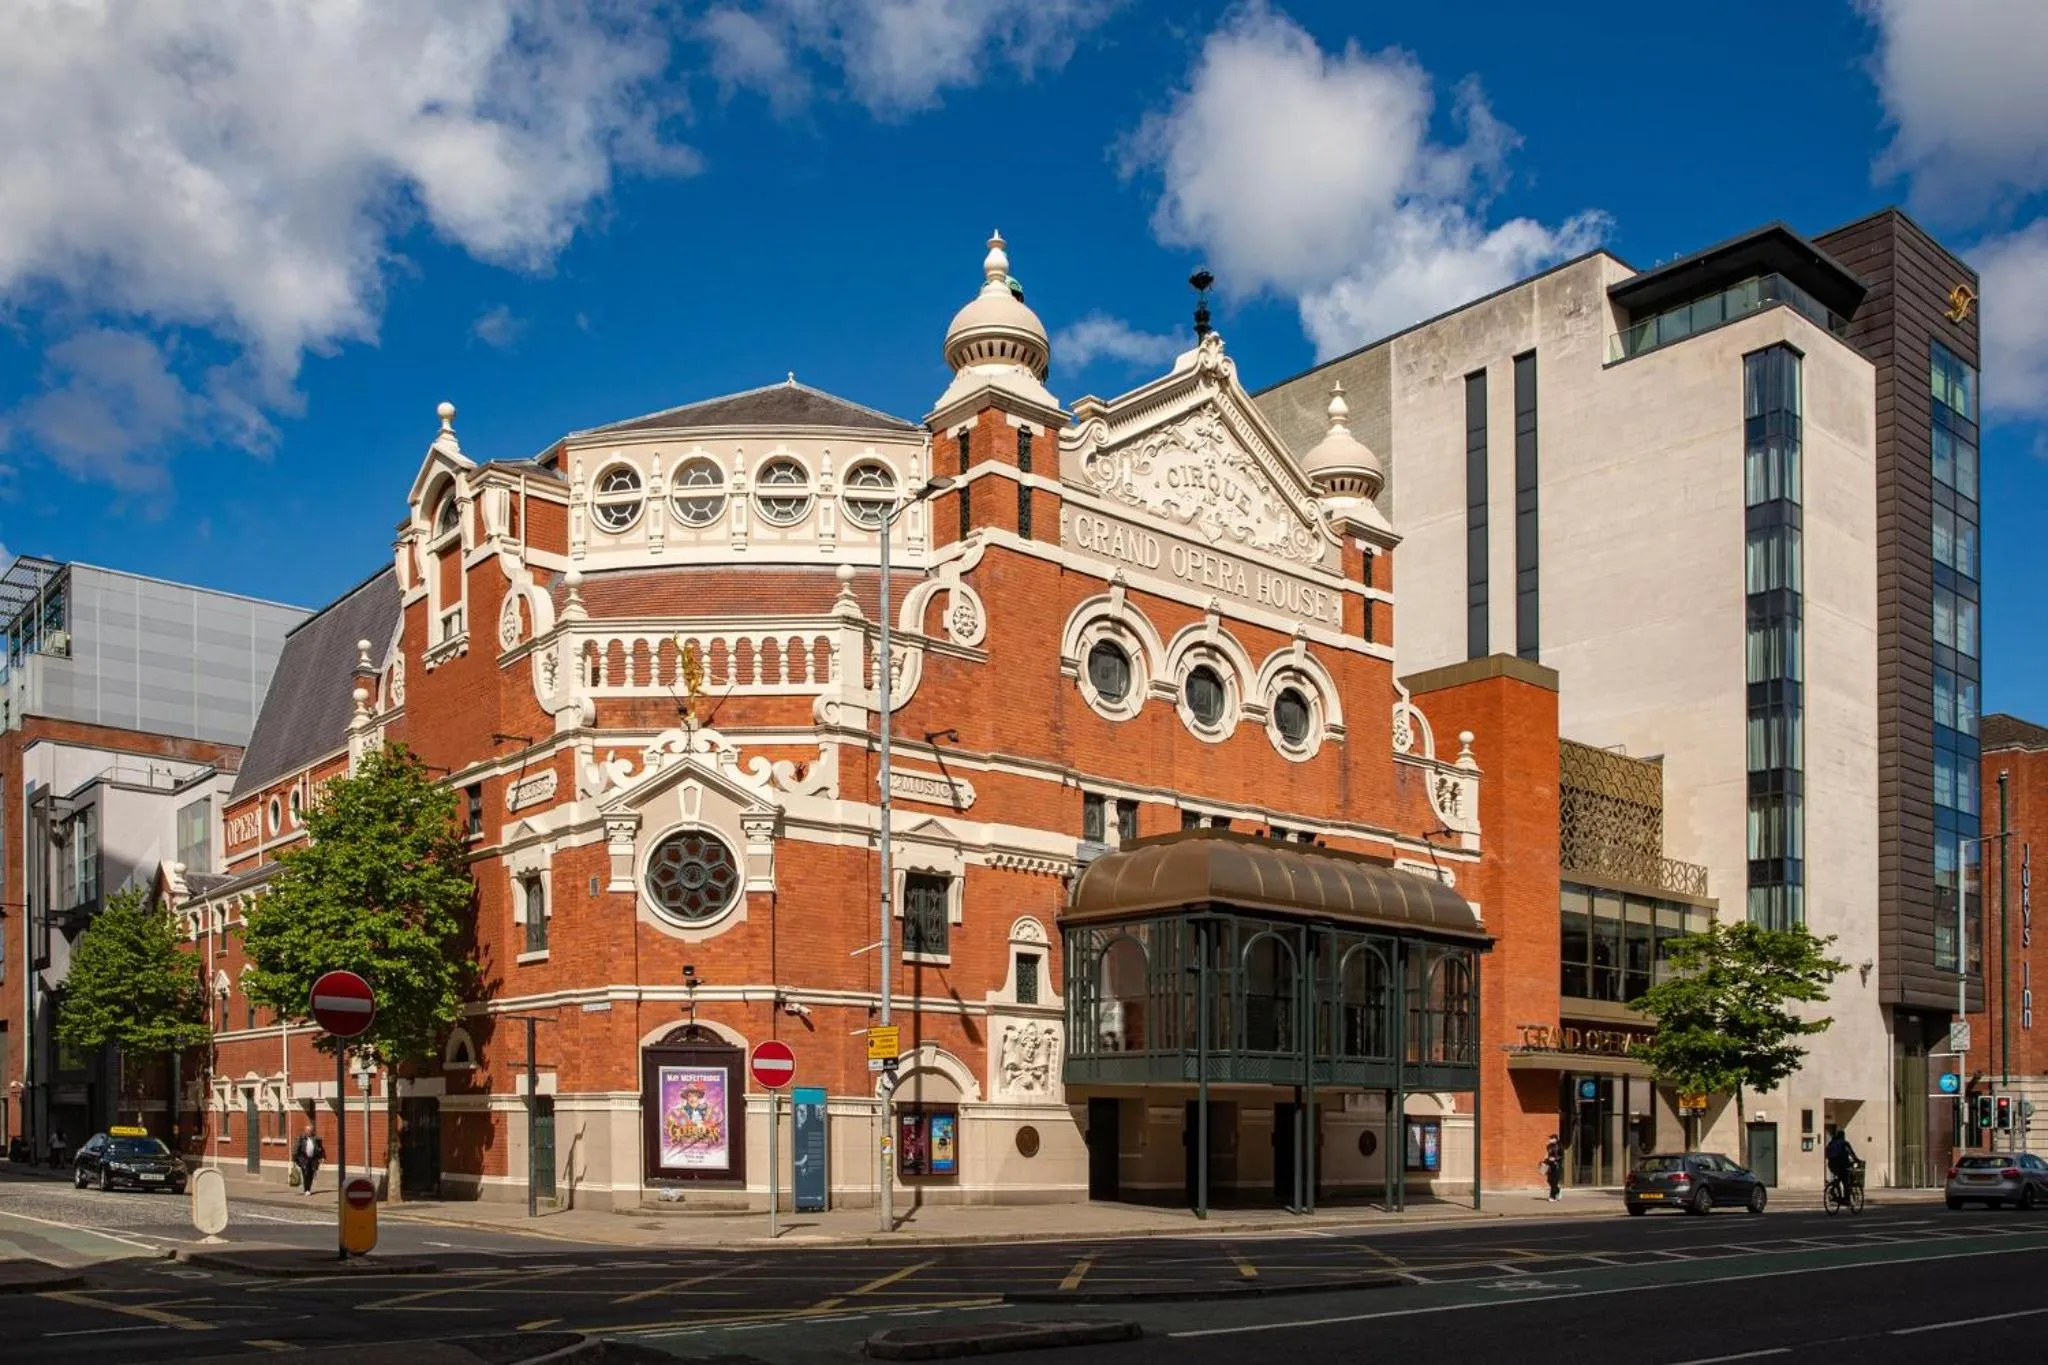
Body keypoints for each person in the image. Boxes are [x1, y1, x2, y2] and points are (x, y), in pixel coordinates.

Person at [1824, 1130, 1858, 1198]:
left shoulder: (1831, 1142)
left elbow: (1827, 1153)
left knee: (1839, 1177)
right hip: (1842, 1165)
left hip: (1831, 1165)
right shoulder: (1844, 1143)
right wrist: (1857, 1159)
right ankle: (1846, 1198)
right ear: (1843, 1136)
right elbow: (1851, 1153)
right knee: (1846, 1180)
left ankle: (1835, 1189)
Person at [294, 1125, 326, 1195]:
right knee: (305, 1174)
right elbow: (296, 1149)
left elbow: (321, 1148)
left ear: (312, 1131)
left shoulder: (316, 1139)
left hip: (313, 1159)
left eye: (310, 1131)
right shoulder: (301, 1138)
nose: (309, 1132)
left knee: (311, 1174)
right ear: (305, 1131)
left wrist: (322, 1157)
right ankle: (306, 1190)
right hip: (303, 1159)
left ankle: (309, 1188)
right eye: (307, 1130)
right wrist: (295, 1159)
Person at [1542, 1134, 1563, 1201]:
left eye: (1551, 1138)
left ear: (1555, 1139)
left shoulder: (1559, 1146)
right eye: (1550, 1138)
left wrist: (1555, 1159)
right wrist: (1545, 1160)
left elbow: (1562, 1156)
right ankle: (1558, 1190)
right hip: (1550, 1166)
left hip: (1556, 1165)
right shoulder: (1548, 1146)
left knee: (1554, 1181)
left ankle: (1552, 1197)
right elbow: (1547, 1154)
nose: (1550, 1140)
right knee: (1549, 1180)